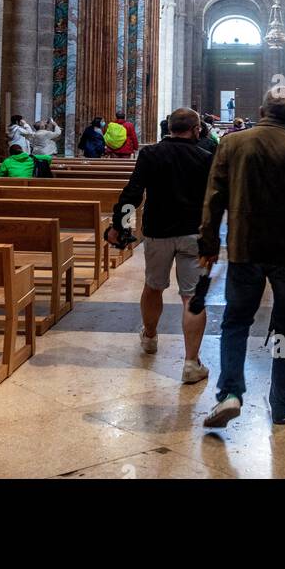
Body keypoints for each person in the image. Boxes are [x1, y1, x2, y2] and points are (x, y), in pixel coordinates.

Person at [199, 85, 285, 429]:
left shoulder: (232, 143)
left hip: (246, 247)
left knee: (235, 321)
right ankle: (281, 402)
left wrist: (210, 243)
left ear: (261, 113)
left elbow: (214, 197)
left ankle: (230, 392)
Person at [108, 107, 214, 384]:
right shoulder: (206, 157)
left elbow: (133, 192)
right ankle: (191, 363)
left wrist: (120, 225)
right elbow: (214, 201)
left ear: (169, 127)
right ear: (197, 129)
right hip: (193, 233)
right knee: (192, 297)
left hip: (157, 232)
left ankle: (151, 337)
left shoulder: (150, 154)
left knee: (153, 286)